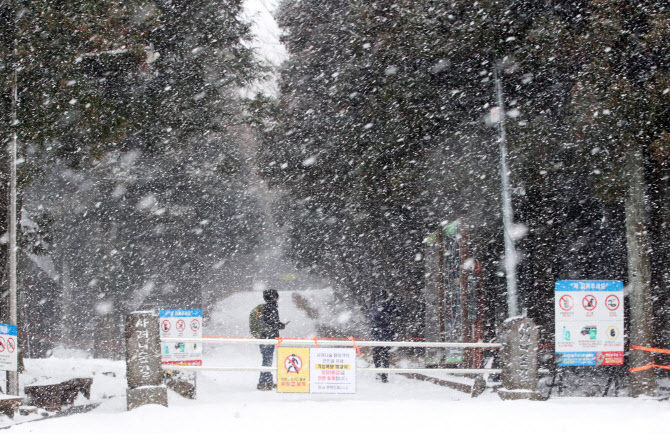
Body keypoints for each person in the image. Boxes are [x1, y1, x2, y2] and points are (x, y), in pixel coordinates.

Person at [257, 289, 286, 390]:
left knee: (267, 359)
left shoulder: (264, 308)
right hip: (268, 337)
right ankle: (262, 383)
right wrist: (281, 325)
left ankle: (268, 381)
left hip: (263, 336)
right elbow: (272, 323)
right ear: (274, 297)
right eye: (277, 297)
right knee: (267, 360)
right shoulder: (271, 308)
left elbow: (268, 322)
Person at [367, 289, 399, 383]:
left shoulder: (373, 307)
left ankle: (378, 372)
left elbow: (368, 316)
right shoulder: (390, 306)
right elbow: (398, 314)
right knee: (385, 355)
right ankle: (384, 376)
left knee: (376, 355)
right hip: (386, 334)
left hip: (376, 334)